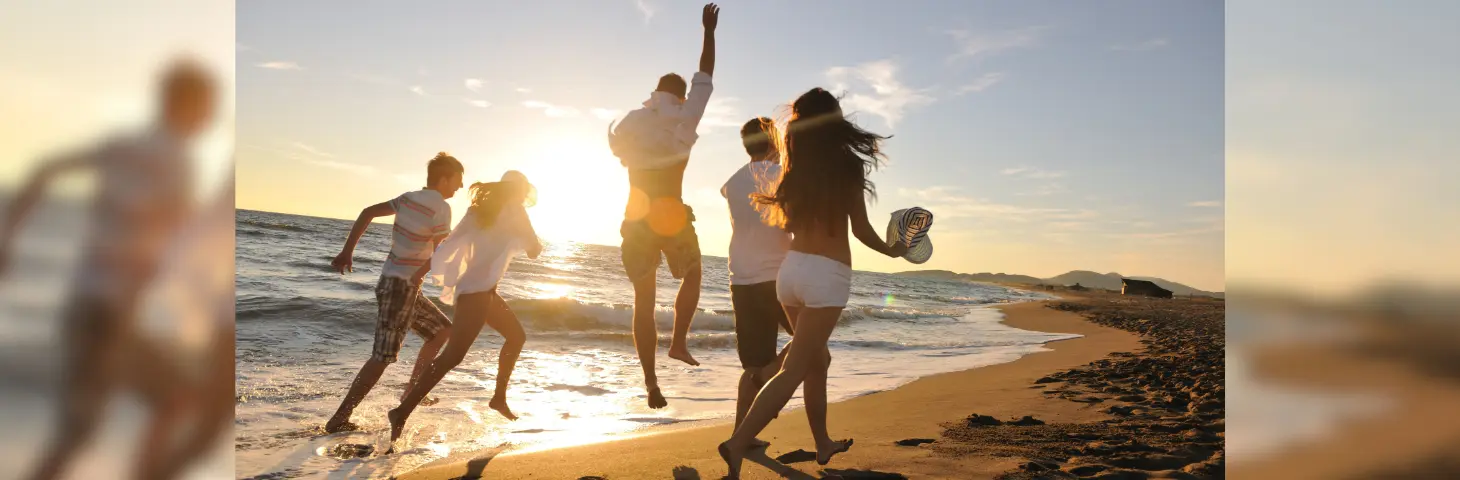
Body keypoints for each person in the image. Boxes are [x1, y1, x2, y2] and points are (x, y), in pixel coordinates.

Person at [0, 58, 215, 480]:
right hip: (109, 315)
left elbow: (44, 169)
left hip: (90, 304)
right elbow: (177, 235)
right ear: (186, 104)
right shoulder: (174, 159)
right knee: (170, 399)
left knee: (85, 428)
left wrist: (8, 237)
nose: (208, 117)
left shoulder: (123, 147)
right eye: (205, 106)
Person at [718, 88, 908, 478]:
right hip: (827, 275)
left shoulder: (792, 167)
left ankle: (822, 443)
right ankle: (738, 443)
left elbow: (788, 223)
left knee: (815, 363)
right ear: (836, 122)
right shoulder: (847, 167)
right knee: (794, 369)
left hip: (791, 273)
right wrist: (893, 251)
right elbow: (861, 230)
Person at [605, 3, 719, 409]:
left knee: (643, 302)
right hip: (670, 214)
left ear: (655, 92)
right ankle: (679, 342)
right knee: (693, 273)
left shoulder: (633, 122)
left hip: (635, 218)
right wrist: (708, 31)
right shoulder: (684, 118)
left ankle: (651, 382)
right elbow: (705, 76)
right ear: (681, 96)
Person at [388, 171, 543, 449]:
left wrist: (425, 271)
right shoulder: (515, 211)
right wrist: (525, 240)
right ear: (518, 191)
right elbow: (534, 249)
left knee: (516, 337)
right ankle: (402, 411)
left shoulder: (478, 211)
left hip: (477, 291)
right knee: (452, 357)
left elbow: (448, 244)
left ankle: (498, 397)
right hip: (478, 294)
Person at [322, 152, 463, 433]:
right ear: (445, 178)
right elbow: (440, 253)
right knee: (382, 357)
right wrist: (426, 275)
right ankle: (338, 420)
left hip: (396, 283)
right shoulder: (441, 207)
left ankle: (411, 392)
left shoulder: (408, 197)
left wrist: (347, 251)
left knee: (442, 332)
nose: (459, 187)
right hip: (401, 286)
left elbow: (367, 212)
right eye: (458, 181)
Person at [722, 117, 795, 447]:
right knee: (813, 341)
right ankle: (768, 377)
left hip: (741, 279)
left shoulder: (733, 182)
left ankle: (742, 435)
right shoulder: (782, 177)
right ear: (772, 144)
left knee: (752, 365)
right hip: (777, 277)